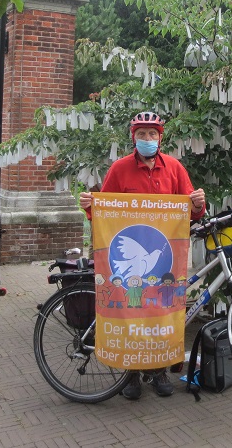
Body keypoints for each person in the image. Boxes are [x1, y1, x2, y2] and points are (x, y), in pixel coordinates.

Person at [79, 111, 206, 400]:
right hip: (130, 261)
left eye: (152, 134)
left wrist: (198, 204)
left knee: (160, 311)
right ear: (133, 137)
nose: (147, 139)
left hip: (164, 258)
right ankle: (130, 374)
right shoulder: (120, 169)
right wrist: (90, 204)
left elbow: (191, 212)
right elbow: (104, 210)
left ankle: (158, 370)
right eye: (141, 134)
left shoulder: (174, 168)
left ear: (160, 138)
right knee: (130, 311)